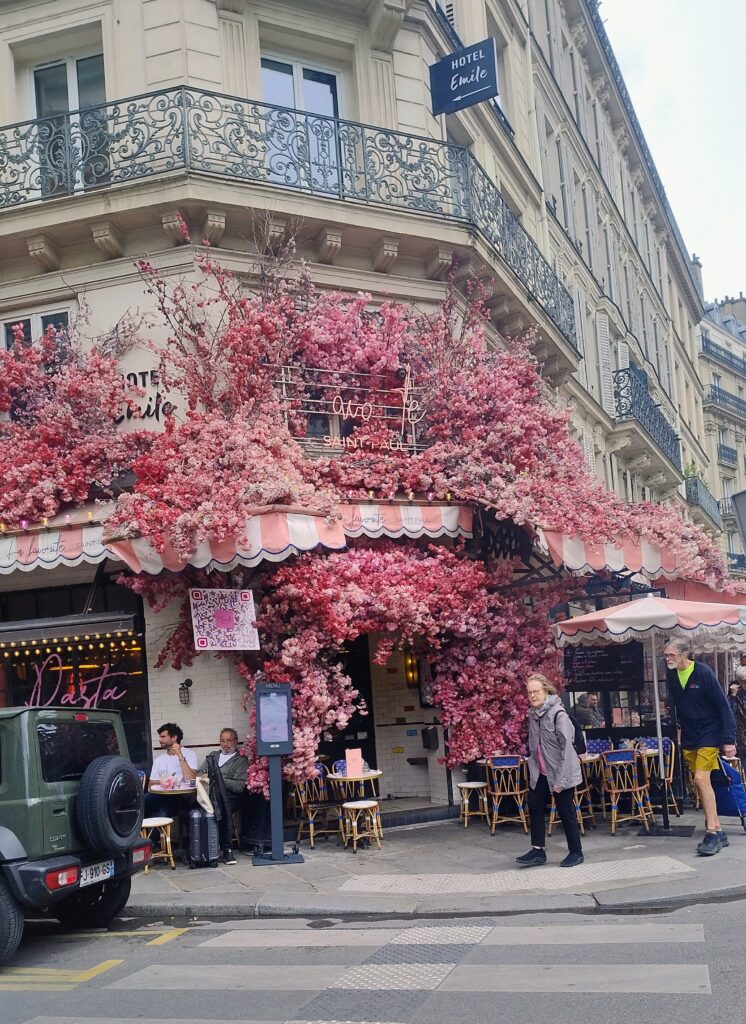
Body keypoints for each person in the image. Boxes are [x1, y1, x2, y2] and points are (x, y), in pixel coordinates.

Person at [664, 639, 737, 856]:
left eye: (671, 655)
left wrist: (729, 739)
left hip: (710, 732)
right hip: (690, 735)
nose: (667, 659)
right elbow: (678, 706)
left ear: (684, 654)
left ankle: (711, 834)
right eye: (666, 655)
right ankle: (719, 830)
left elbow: (723, 705)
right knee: (702, 783)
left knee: (700, 779)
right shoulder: (671, 675)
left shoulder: (703, 673)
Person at [516, 673, 584, 869]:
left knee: (565, 811)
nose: (532, 695)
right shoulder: (533, 715)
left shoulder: (558, 715)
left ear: (546, 691)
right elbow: (535, 747)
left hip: (561, 772)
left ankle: (576, 852)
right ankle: (538, 851)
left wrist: (561, 780)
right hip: (541, 773)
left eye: (536, 691)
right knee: (535, 806)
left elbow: (567, 750)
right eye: (529, 692)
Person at [197, 728, 249, 865]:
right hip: (210, 795)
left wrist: (218, 778)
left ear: (236, 741)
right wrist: (215, 779)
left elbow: (239, 786)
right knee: (191, 809)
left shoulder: (241, 760)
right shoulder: (213, 756)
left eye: (228, 741)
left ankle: (227, 850)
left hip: (230, 797)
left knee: (221, 809)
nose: (225, 744)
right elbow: (200, 774)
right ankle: (199, 849)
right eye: (222, 741)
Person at [144, 722, 199, 819]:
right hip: (161, 796)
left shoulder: (190, 754)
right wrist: (163, 782)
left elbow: (191, 780)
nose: (160, 740)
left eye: (163, 736)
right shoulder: (159, 760)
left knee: (163, 813)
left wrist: (180, 755)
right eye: (160, 737)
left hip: (182, 797)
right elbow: (150, 785)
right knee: (140, 802)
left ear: (174, 738)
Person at [732, 667, 746, 763]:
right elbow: (731, 713)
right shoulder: (737, 695)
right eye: (743, 681)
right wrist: (733, 696)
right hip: (742, 740)